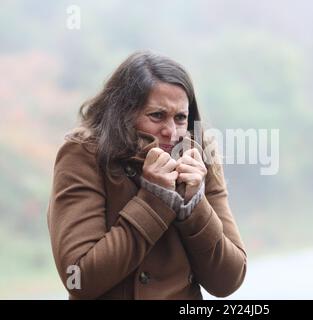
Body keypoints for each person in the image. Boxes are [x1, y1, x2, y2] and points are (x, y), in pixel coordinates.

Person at [47, 51, 247, 299]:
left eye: (181, 117)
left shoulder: (199, 157)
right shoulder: (84, 154)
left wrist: (195, 205)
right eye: (157, 115)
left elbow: (228, 280)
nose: (171, 132)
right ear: (123, 113)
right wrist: (154, 199)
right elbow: (79, 278)